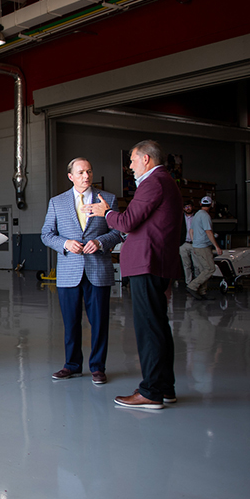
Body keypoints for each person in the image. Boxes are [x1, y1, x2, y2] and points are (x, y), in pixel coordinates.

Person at [85, 140, 182, 410]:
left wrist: (107, 213)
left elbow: (127, 222)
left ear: (147, 160)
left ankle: (151, 392)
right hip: (158, 263)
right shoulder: (167, 182)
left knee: (148, 328)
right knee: (159, 327)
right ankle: (165, 387)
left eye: (132, 160)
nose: (130, 166)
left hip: (147, 263)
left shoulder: (152, 183)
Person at [42, 158, 122, 385]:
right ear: (71, 177)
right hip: (69, 271)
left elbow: (117, 233)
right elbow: (46, 234)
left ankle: (98, 368)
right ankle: (72, 365)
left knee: (99, 322)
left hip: (98, 269)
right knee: (71, 323)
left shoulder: (108, 199)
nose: (86, 176)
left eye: (89, 171)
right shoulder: (57, 202)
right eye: (80, 172)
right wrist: (65, 244)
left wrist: (99, 242)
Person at [186, 195, 223, 298]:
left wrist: (194, 244)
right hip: (203, 247)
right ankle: (193, 286)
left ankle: (202, 292)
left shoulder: (197, 215)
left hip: (197, 246)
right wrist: (217, 246)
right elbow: (208, 232)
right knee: (210, 269)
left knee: (203, 269)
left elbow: (191, 231)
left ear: (201, 204)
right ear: (211, 205)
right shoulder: (206, 216)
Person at [179, 201, 196, 285]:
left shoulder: (196, 217)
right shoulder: (180, 218)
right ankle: (188, 283)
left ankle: (196, 283)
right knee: (186, 265)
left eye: (189, 206)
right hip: (184, 243)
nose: (188, 208)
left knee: (197, 265)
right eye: (186, 207)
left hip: (195, 243)